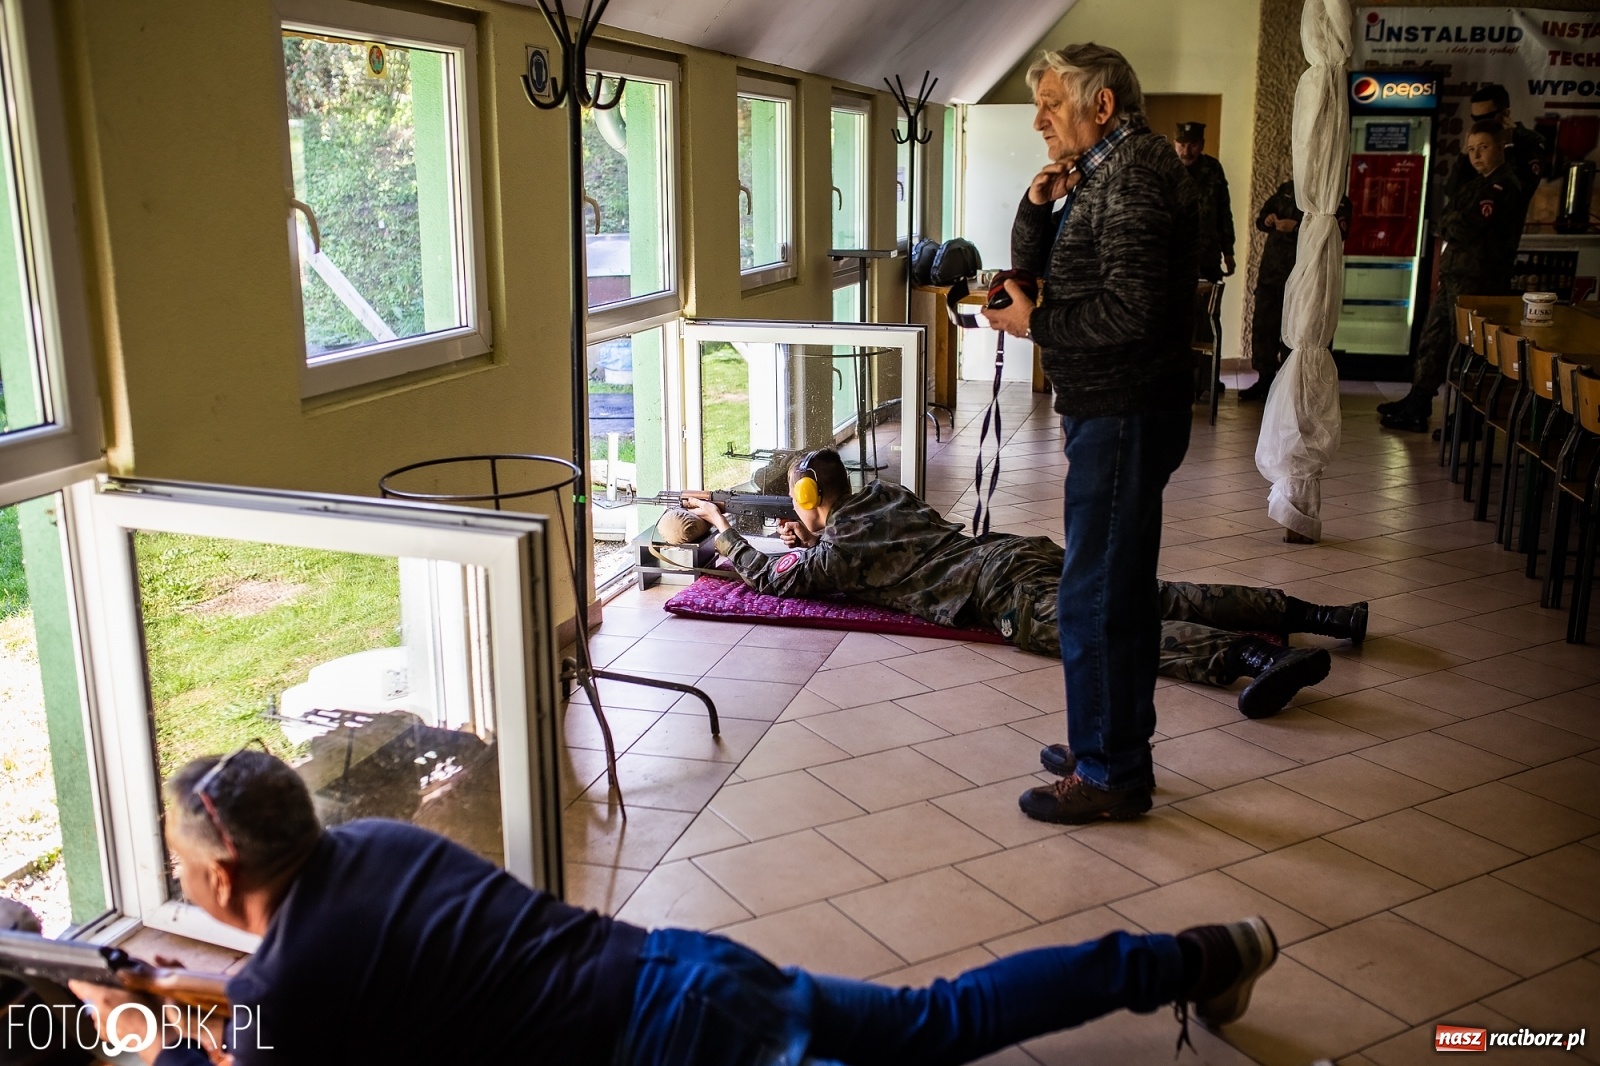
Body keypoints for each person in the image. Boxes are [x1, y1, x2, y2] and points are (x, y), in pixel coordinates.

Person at [71, 750, 1280, 1065]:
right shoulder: (377, 843)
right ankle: (1190, 954)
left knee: (934, 1039)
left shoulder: (295, 977)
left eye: (182, 867)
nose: (178, 885)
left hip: (677, 1045)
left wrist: (109, 1009)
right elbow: (296, 1001)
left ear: (222, 878)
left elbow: (252, 1038)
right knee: (938, 1021)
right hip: (685, 966)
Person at [687, 449, 1365, 724]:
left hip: (1000, 597)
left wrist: (721, 527)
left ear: (806, 498)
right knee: (1153, 593)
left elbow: (771, 582)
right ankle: (1323, 615)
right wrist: (817, 536)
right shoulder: (886, 495)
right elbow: (869, 541)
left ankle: (1256, 660)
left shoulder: (835, 559)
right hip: (1013, 552)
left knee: (1110, 631)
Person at [980, 45, 1198, 824]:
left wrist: (1035, 321)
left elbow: (1133, 311)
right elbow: (1056, 274)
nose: (1039, 118)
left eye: (1050, 102)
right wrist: (1039, 209)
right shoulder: (1103, 172)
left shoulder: (1133, 174)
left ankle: (1109, 773)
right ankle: (1110, 740)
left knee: (1096, 594)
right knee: (1114, 587)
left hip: (1126, 408)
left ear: (1100, 106)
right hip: (1113, 405)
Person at [1379, 120, 1525, 433]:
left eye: (1483, 148)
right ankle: (1418, 401)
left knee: (1468, 350)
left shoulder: (1504, 185)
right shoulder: (1477, 184)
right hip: (1455, 276)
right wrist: (1453, 213)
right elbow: (1448, 206)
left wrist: (1451, 221)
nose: (1476, 155)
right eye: (1470, 150)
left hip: (1479, 282)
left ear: (1501, 147)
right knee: (1434, 338)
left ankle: (1468, 417)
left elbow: (1466, 226)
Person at [1241, 180, 1352, 401]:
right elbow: (1262, 218)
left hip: (1306, 279)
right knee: (1265, 327)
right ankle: (1265, 379)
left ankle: (1293, 386)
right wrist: (1268, 219)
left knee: (1299, 333)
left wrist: (1295, 226)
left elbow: (1336, 231)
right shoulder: (1287, 189)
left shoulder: (1334, 199)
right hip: (1272, 275)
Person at [1441, 83, 1547, 217]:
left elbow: (1520, 190)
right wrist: (1465, 152)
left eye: (1486, 118)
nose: (1481, 124)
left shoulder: (1529, 141)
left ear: (1505, 114)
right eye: (1476, 119)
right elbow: (1453, 190)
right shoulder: (1476, 144)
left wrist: (1509, 147)